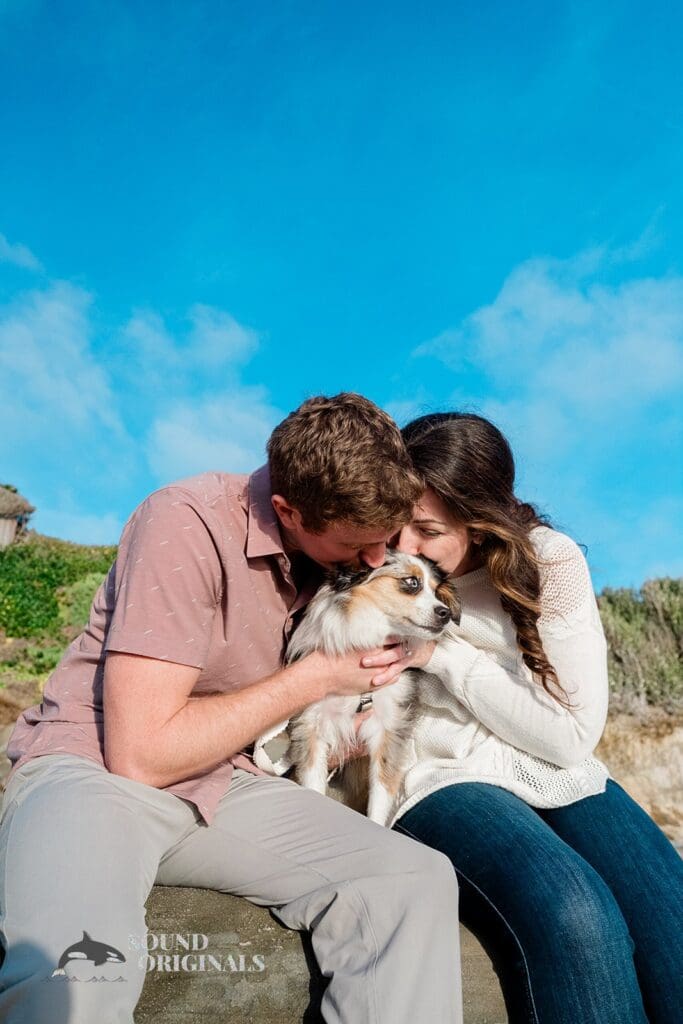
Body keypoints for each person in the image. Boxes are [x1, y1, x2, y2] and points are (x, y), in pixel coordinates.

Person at [0, 394, 463, 1024]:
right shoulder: (184, 525)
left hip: (230, 782)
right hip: (98, 773)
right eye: (359, 544)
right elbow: (141, 754)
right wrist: (318, 677)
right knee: (78, 975)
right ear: (286, 511)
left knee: (412, 882)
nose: (375, 561)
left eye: (384, 543)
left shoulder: (332, 557)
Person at [386, 411, 683, 1024]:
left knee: (672, 923)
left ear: (482, 520)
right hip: (437, 773)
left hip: (551, 766)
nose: (402, 548)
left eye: (427, 530)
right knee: (575, 913)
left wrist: (443, 654)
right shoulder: (390, 575)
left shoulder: (549, 561)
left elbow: (571, 736)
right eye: (398, 524)